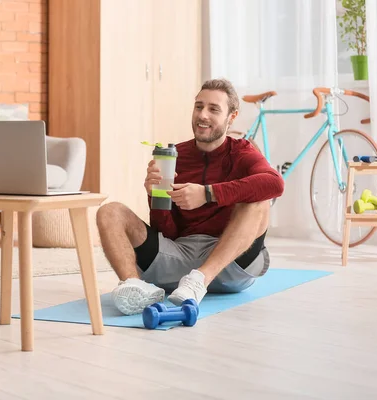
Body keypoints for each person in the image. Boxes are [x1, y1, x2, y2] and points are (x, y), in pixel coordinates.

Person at [96, 78, 285, 315]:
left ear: (232, 117)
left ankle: (200, 280)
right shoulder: (174, 155)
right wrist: (156, 196)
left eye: (213, 109)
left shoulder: (242, 152)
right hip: (178, 260)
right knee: (109, 211)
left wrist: (208, 194)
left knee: (259, 199)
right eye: (199, 106)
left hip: (228, 264)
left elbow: (275, 183)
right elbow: (168, 232)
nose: (203, 115)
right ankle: (134, 288)